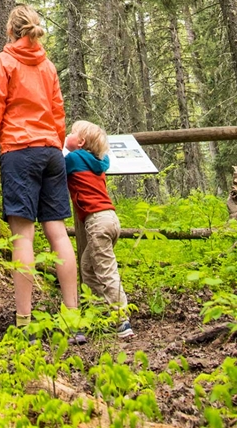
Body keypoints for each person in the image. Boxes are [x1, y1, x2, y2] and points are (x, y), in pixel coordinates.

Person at [0, 4, 78, 327]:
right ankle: (72, 315)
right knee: (59, 233)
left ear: (10, 31)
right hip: (51, 151)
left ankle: (24, 319)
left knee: (23, 237)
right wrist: (57, 143)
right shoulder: (47, 66)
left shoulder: (5, 61)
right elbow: (58, 110)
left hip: (19, 151)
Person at [65, 120, 133, 339]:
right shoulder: (99, 162)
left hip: (97, 222)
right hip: (110, 219)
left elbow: (57, 166)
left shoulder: (74, 159)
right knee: (88, 267)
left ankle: (122, 320)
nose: (68, 134)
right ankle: (101, 312)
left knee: (106, 270)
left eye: (72, 132)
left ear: (81, 141)